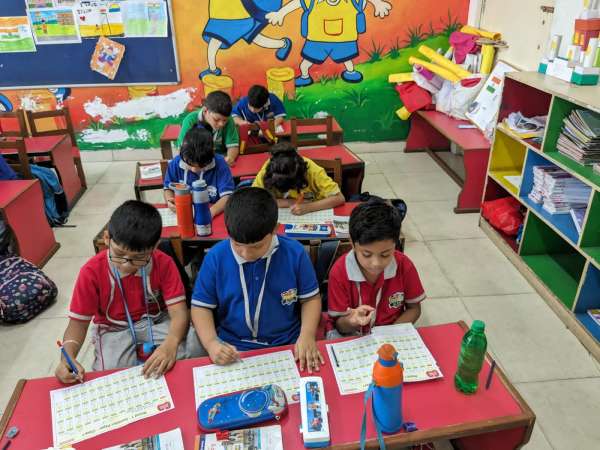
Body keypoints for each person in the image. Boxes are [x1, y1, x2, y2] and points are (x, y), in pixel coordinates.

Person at [55, 201, 204, 384]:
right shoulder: (91, 272)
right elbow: (78, 324)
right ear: (107, 238)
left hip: (158, 321)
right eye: (119, 254)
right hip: (114, 328)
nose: (126, 264)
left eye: (139, 258)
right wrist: (67, 357)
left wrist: (171, 344)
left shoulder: (163, 263)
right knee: (111, 375)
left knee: (192, 351)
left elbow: (179, 313)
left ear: (155, 246)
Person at [190, 187, 324, 372]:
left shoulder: (295, 253)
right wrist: (211, 343)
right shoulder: (216, 257)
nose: (246, 254)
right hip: (231, 347)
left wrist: (307, 335)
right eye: (238, 245)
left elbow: (310, 299)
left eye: (256, 247)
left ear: (275, 229)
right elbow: (201, 306)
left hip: (287, 344)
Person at [327, 199, 425, 338]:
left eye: (385, 254)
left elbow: (414, 309)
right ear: (352, 243)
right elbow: (339, 325)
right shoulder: (339, 272)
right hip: (353, 337)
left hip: (391, 334)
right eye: (367, 254)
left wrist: (391, 334)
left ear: (395, 244)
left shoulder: (404, 266)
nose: (376, 263)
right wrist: (351, 321)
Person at [252, 142, 345, 215]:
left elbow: (339, 198)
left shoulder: (312, 170)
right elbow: (255, 200)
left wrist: (309, 207)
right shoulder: (269, 169)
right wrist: (289, 202)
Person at [164, 126, 234, 218]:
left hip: (213, 212)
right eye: (189, 164)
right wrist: (170, 200)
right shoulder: (175, 163)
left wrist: (210, 212)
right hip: (184, 212)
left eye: (201, 166)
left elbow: (227, 196)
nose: (194, 170)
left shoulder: (220, 163)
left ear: (212, 155)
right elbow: (168, 188)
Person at [177, 91, 240, 165]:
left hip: (220, 160)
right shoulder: (190, 120)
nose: (221, 124)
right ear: (205, 110)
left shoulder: (229, 119)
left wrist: (230, 158)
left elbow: (233, 145)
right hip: (197, 161)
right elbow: (183, 149)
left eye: (224, 120)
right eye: (216, 119)